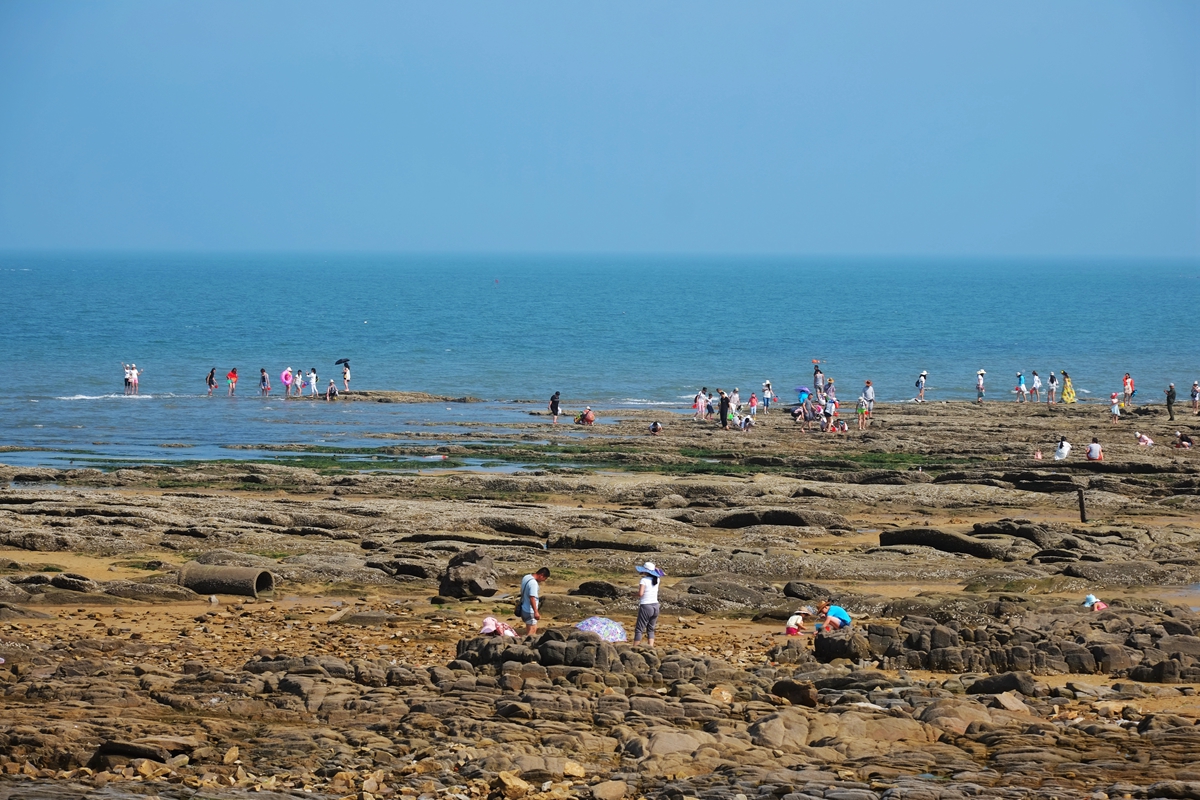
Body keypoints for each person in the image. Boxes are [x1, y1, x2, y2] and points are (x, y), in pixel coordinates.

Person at [633, 561, 663, 646]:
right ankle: (651, 647)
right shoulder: (657, 579)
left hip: (646, 606)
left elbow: (640, 594)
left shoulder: (644, 580)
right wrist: (656, 569)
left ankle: (634, 648)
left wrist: (633, 595)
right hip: (656, 606)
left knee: (639, 629)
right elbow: (662, 573)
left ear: (645, 571)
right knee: (651, 629)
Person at [518, 567, 550, 636]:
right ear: (541, 575)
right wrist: (536, 612)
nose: (543, 581)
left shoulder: (526, 577)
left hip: (523, 608)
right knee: (531, 632)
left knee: (531, 629)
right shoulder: (533, 584)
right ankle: (526, 645)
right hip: (530, 611)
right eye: (544, 578)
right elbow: (532, 598)